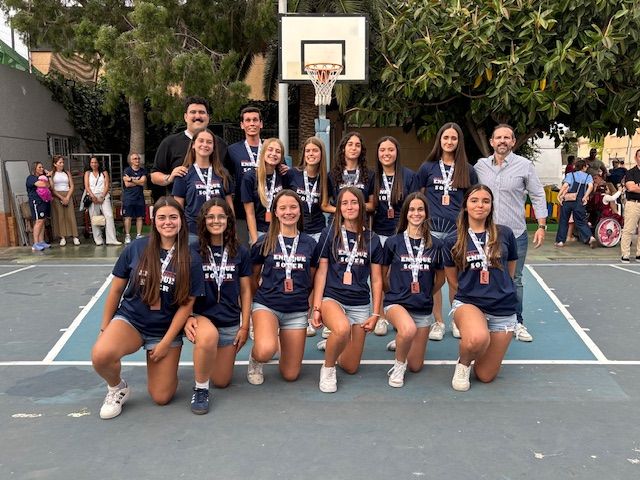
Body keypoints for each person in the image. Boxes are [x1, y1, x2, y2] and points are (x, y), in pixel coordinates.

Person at [91, 196, 204, 419]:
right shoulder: (137, 247)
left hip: (164, 329)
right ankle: (117, 388)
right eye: (162, 217)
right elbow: (116, 290)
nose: (167, 222)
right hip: (132, 320)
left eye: (173, 217)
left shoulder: (191, 258)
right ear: (153, 220)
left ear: (181, 220)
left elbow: (187, 305)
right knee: (101, 355)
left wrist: (165, 343)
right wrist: (105, 328)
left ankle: (166, 371)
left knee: (162, 396)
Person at [475, 124, 547, 343]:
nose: (502, 141)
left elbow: (537, 194)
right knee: (484, 276)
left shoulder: (524, 165)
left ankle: (517, 322)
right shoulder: (480, 166)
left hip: (515, 234)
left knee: (514, 279)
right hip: (485, 235)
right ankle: (482, 320)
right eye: (498, 137)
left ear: (513, 142)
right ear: (491, 142)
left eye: (507, 137)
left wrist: (541, 226)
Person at [444, 185, 518, 391]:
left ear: (491, 206)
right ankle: (463, 363)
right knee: (477, 337)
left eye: (486, 201)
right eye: (474, 200)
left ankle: (477, 347)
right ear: (465, 205)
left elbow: (510, 269)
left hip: (502, 307)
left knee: (485, 376)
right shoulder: (453, 239)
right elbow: (452, 280)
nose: (480, 205)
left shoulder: (505, 233)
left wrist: (499, 289)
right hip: (470, 302)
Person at [311, 187, 383, 393]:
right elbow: (322, 272)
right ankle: (328, 368)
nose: (349, 207)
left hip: (359, 303)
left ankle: (334, 343)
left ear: (361, 206)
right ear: (339, 208)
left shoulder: (372, 239)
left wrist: (375, 313)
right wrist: (316, 307)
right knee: (342, 328)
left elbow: (376, 279)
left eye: (354, 202)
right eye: (344, 203)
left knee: (351, 367)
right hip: (333, 298)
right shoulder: (329, 233)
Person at [185, 198, 252, 415]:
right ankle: (200, 389)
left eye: (221, 216)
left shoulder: (240, 251)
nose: (216, 221)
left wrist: (245, 326)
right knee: (208, 337)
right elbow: (183, 289)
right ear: (203, 221)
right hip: (203, 316)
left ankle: (207, 356)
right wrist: (188, 316)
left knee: (222, 381)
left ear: (229, 220)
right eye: (211, 217)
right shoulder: (193, 250)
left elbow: (245, 291)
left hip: (229, 321)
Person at [247, 190, 318, 385]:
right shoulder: (264, 241)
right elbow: (253, 277)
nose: (288, 212)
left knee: (290, 374)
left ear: (300, 211)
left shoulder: (310, 243)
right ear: (275, 212)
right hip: (267, 306)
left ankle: (277, 340)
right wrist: (258, 302)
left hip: (296, 311)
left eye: (293, 207)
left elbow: (311, 279)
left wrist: (305, 304)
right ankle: (256, 358)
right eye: (283, 208)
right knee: (266, 350)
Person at [418, 122, 477, 341]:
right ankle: (438, 322)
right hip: (432, 231)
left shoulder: (468, 170)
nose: (449, 142)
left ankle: (457, 321)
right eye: (446, 138)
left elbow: (472, 200)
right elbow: (418, 198)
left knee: (455, 278)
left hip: (457, 232)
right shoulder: (427, 167)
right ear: (440, 140)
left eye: (454, 138)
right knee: (434, 278)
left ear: (459, 142)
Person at [382, 192, 444, 387]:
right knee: (408, 329)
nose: (416, 213)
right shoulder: (393, 242)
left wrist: (425, 293)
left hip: (422, 307)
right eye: (411, 209)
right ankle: (399, 365)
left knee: (416, 365)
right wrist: (394, 293)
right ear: (405, 213)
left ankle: (402, 339)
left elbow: (440, 279)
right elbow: (383, 276)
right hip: (396, 303)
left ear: (426, 213)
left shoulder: (436, 244)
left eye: (420, 209)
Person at [371, 135, 416, 336]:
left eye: (390, 149)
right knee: (379, 278)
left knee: (401, 277)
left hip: (401, 235)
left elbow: (414, 205)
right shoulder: (372, 177)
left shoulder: (409, 176)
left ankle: (401, 316)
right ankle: (380, 316)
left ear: (397, 152)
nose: (386, 153)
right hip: (379, 234)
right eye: (382, 150)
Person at [150, 96, 228, 195]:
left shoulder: (220, 144)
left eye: (202, 112)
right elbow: (154, 176)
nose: (198, 116)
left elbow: (227, 175)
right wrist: (169, 178)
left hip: (215, 203)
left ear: (208, 117)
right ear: (185, 117)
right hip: (180, 203)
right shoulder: (170, 143)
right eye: (193, 112)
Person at [172, 128, 234, 234]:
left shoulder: (223, 173)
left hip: (219, 228)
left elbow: (229, 206)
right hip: (192, 230)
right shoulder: (183, 174)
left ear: (213, 147)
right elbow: (178, 208)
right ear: (193, 145)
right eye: (201, 141)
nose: (205, 145)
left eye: (209, 142)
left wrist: (233, 229)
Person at [226, 106, 264, 244]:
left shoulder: (270, 148)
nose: (252, 123)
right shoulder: (232, 150)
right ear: (242, 125)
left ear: (261, 123)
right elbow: (225, 177)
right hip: (241, 211)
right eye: (248, 120)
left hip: (266, 210)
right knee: (243, 249)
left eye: (255, 120)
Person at [241, 138, 286, 245]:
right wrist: (255, 240)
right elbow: (250, 213)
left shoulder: (283, 175)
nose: (273, 154)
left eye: (278, 151)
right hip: (259, 231)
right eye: (270, 150)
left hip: (280, 230)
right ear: (263, 152)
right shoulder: (250, 177)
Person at [285, 136, 329, 241]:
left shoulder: (326, 178)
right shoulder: (292, 174)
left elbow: (327, 204)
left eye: (315, 150)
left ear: (321, 154)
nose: (311, 154)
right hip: (296, 229)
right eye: (308, 151)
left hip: (318, 231)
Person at [326, 132, 376, 215]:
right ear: (343, 148)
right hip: (338, 220)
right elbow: (324, 205)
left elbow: (372, 205)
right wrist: (342, 210)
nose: (354, 148)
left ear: (361, 150)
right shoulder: (332, 175)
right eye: (350, 144)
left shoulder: (370, 174)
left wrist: (355, 208)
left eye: (357, 145)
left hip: (361, 220)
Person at [555, 159, 596, 247]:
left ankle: (560, 241)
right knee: (581, 221)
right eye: (586, 166)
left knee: (564, 220)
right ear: (583, 167)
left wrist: (559, 195)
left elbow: (565, 185)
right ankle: (590, 237)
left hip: (568, 200)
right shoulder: (588, 176)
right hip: (579, 201)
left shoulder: (570, 175)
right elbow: (590, 186)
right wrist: (585, 196)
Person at [84, 156, 121, 246]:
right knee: (94, 218)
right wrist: (92, 196)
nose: (94, 164)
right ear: (90, 164)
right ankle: (98, 239)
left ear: (98, 163)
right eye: (92, 162)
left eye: (95, 162)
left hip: (103, 195)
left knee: (109, 216)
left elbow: (107, 185)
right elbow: (87, 186)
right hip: (92, 196)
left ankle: (111, 239)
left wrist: (102, 196)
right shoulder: (87, 173)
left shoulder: (104, 173)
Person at [49, 155, 80, 246]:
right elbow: (52, 188)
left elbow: (72, 185)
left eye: (63, 162)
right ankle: (62, 237)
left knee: (71, 215)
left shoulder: (67, 173)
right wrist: (61, 198)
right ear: (55, 164)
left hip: (67, 194)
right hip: (57, 195)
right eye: (60, 162)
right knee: (60, 216)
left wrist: (67, 197)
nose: (62, 164)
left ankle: (74, 236)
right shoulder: (52, 174)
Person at [122, 152, 147, 244]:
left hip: (139, 197)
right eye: (135, 159)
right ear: (131, 161)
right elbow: (127, 184)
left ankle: (138, 235)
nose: (137, 160)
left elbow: (143, 182)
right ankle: (127, 235)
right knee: (128, 217)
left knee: (139, 217)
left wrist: (131, 179)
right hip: (128, 198)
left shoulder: (143, 171)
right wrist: (138, 181)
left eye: (138, 158)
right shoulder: (127, 170)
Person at [26, 161, 52, 251]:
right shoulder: (31, 178)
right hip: (36, 202)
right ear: (35, 169)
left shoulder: (42, 177)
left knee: (42, 220)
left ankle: (41, 241)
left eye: (42, 167)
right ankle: (35, 243)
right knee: (38, 221)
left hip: (43, 201)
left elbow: (49, 185)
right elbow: (43, 184)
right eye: (39, 167)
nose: (42, 169)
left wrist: (48, 178)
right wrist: (47, 179)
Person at [620, 149, 640, 263]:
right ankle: (625, 254)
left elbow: (635, 187)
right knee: (628, 230)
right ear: (636, 158)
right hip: (633, 204)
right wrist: (635, 187)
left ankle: (639, 254)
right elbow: (631, 187)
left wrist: (638, 187)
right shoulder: (630, 172)